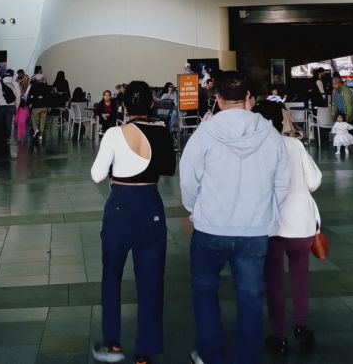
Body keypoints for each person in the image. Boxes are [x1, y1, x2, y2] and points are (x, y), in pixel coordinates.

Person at [180, 71, 292, 364]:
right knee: (251, 298)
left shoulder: (204, 132)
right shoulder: (270, 133)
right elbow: (282, 182)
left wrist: (195, 209)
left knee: (204, 291)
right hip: (254, 231)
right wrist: (264, 209)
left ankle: (209, 354)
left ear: (216, 99)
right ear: (248, 100)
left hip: (210, 229)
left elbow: (189, 179)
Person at [90, 81, 176, 364]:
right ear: (152, 104)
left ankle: (112, 344)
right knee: (151, 282)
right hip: (150, 205)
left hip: (120, 206)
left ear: (123, 105)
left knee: (111, 276)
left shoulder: (115, 133)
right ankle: (145, 352)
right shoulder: (162, 132)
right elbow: (169, 169)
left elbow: (97, 175)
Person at [263, 108, 322, 354]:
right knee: (300, 274)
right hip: (301, 221)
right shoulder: (294, 145)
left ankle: (279, 334)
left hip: (271, 222)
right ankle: (301, 324)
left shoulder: (258, 148)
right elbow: (314, 180)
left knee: (273, 279)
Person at [28, 73, 52, 141]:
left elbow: (30, 95)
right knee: (43, 121)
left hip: (36, 106)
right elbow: (49, 96)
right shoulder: (46, 86)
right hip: (44, 106)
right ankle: (41, 135)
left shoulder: (33, 86)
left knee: (34, 118)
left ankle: (36, 129)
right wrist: (49, 106)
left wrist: (28, 103)